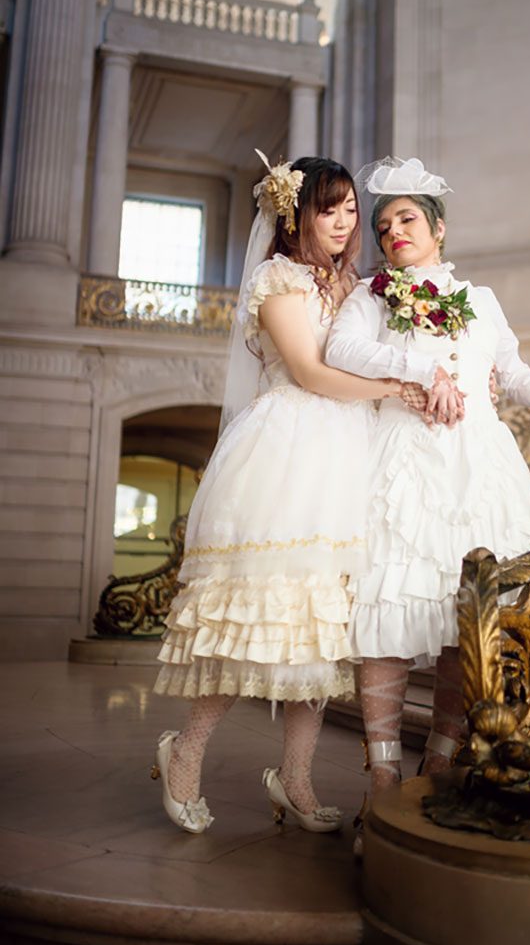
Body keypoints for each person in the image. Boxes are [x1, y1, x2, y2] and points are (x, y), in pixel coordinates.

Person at [151, 155, 421, 835]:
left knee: (324, 634)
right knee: (252, 623)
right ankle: (185, 752)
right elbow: (309, 369)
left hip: (349, 455)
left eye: (351, 208)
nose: (344, 221)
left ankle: (294, 778)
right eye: (329, 208)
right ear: (294, 212)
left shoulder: (358, 286)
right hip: (287, 453)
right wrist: (394, 387)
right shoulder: (274, 279)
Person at [325, 157, 530, 799]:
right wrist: (421, 373)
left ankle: (441, 760)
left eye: (407, 218)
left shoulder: (480, 300)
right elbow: (339, 352)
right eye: (384, 224)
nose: (393, 230)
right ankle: (382, 773)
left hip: (480, 468)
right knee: (387, 615)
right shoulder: (370, 299)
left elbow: (516, 377)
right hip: (403, 468)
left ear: (438, 229)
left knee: (468, 619)